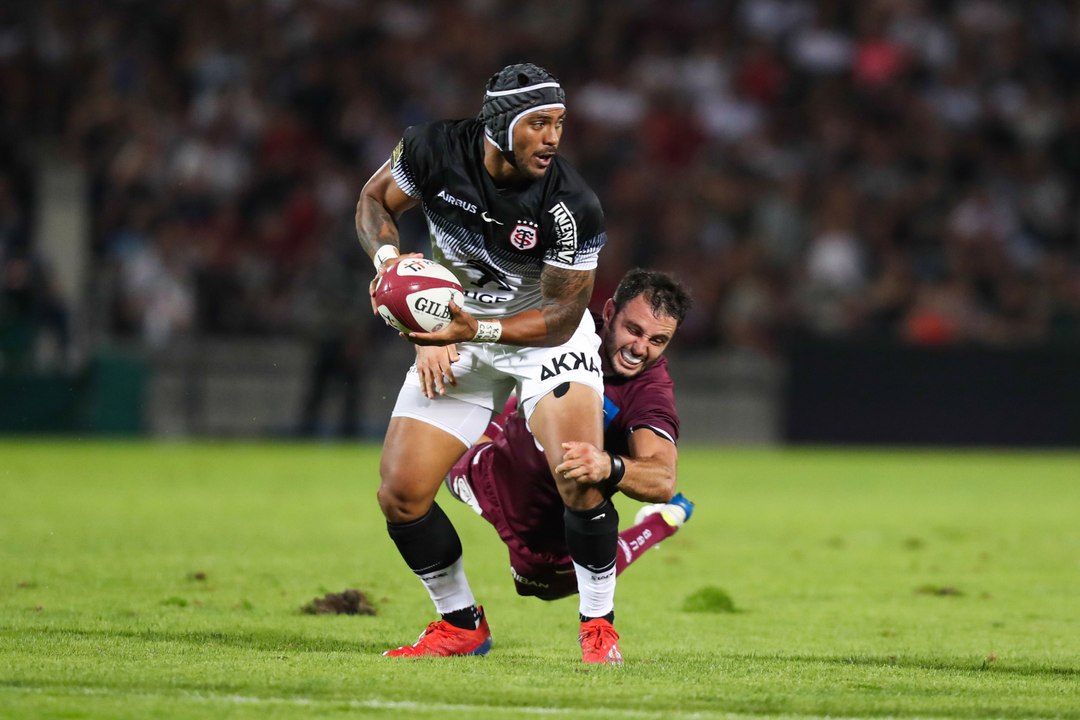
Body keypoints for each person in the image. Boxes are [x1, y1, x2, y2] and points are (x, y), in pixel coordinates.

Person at [355, 63, 620, 663]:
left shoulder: (572, 204)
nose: (553, 137)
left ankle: (598, 626)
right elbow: (375, 200)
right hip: (458, 328)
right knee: (400, 493)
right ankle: (461, 623)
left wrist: (473, 327)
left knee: (580, 474)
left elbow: (559, 314)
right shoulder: (430, 149)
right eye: (538, 123)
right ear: (498, 126)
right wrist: (393, 270)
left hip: (544, 339)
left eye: (559, 123)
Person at [439, 269, 695, 607]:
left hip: (547, 528)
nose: (640, 348)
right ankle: (457, 620)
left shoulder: (649, 393)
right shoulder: (568, 325)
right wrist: (438, 339)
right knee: (443, 458)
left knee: (541, 587)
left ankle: (660, 523)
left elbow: (663, 478)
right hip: (492, 472)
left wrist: (609, 466)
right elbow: (484, 316)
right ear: (608, 313)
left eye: (657, 341)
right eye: (634, 330)